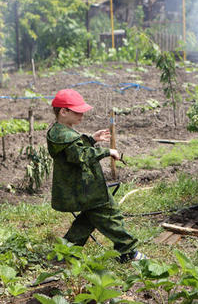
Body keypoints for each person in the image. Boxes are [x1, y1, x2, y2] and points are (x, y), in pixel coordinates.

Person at [46, 88, 146, 263]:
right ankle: (128, 251)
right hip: (86, 189)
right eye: (78, 112)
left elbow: (76, 148)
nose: (82, 116)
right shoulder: (63, 136)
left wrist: (91, 139)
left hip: (84, 189)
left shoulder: (61, 131)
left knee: (87, 221)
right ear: (63, 111)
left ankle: (65, 254)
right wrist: (106, 151)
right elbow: (80, 155)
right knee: (110, 216)